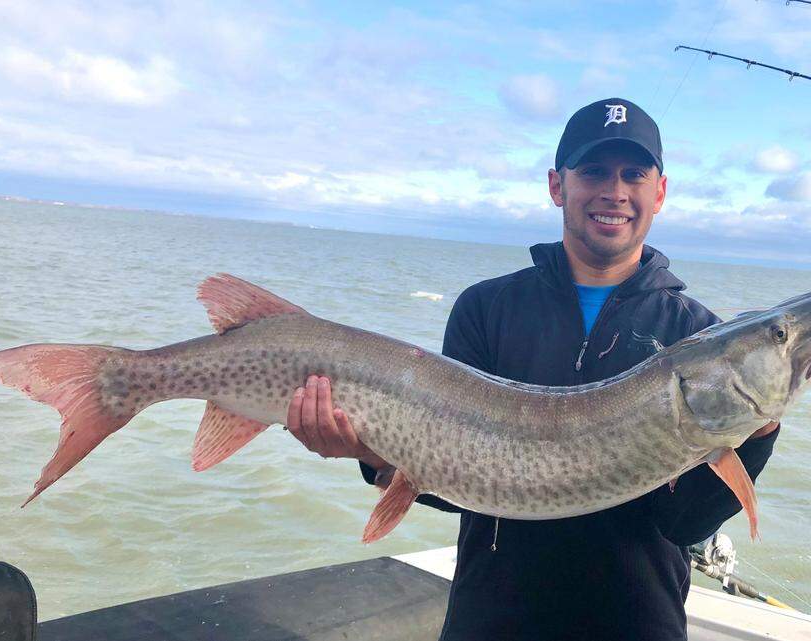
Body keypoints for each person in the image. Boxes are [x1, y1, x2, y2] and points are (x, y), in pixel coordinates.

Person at [284, 98, 780, 641]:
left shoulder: (696, 336)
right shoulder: (486, 308)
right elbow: (454, 484)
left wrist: (757, 433)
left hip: (636, 622)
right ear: (556, 185)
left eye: (633, 174)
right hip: (492, 618)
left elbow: (686, 524)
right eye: (593, 170)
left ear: (658, 192)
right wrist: (369, 451)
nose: (614, 191)